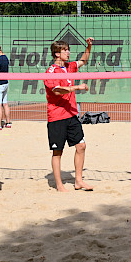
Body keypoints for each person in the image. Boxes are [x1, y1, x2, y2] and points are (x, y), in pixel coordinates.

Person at [44, 38, 94, 192]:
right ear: (57, 54)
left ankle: (78, 181)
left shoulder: (69, 67)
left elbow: (83, 61)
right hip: (57, 116)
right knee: (57, 151)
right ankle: (59, 185)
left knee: (81, 146)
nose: (68, 52)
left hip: (71, 114)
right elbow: (57, 91)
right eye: (65, 50)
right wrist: (76, 87)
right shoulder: (51, 72)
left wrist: (89, 46)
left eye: (68, 49)